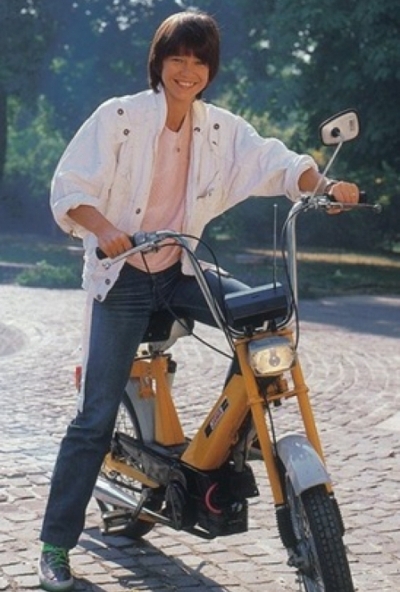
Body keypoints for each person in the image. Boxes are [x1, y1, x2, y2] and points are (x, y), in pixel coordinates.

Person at [38, 10, 359, 591]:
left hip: (182, 267)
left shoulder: (218, 129)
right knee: (94, 417)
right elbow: (70, 188)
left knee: (266, 322)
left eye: (199, 61)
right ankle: (55, 546)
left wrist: (325, 187)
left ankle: (229, 441)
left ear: (210, 70)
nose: (187, 71)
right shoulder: (119, 118)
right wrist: (104, 228)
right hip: (123, 278)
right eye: (177, 58)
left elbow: (275, 162)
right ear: (158, 63)